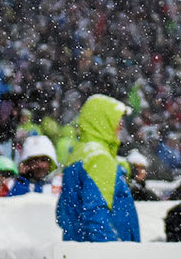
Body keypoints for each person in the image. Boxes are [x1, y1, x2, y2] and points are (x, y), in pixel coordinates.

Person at [56, 94, 140, 241]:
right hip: (108, 251)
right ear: (104, 122)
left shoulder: (79, 154)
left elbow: (63, 214)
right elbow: (96, 218)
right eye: (117, 120)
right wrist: (111, 250)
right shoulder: (99, 158)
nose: (120, 126)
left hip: (77, 247)